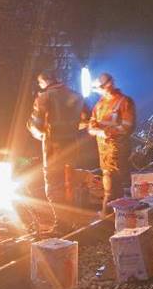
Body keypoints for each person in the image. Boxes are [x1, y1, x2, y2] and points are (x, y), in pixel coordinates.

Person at [27, 69, 85, 229]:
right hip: (72, 145)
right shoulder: (76, 96)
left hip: (53, 147)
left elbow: (35, 124)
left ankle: (62, 223)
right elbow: (87, 121)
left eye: (40, 83)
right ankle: (74, 219)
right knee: (70, 182)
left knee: (54, 184)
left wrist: (38, 134)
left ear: (44, 82)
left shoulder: (43, 97)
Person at [87, 72, 136, 215]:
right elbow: (91, 126)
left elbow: (127, 126)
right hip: (104, 151)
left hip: (118, 149)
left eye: (100, 88)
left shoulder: (124, 102)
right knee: (111, 182)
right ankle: (114, 214)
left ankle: (108, 214)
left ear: (108, 85)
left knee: (114, 182)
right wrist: (97, 131)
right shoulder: (100, 104)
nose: (98, 92)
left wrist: (106, 132)